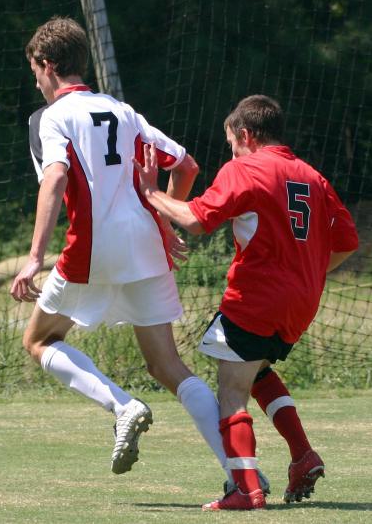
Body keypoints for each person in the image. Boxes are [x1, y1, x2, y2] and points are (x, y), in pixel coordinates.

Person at [10, 15, 239, 485]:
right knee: (168, 366)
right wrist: (164, 215)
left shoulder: (55, 117)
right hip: (145, 248)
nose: (35, 80)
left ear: (48, 65)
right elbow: (187, 164)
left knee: (38, 341)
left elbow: (54, 177)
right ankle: (240, 473)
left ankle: (123, 404)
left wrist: (34, 257)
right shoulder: (122, 110)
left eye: (34, 69)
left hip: (94, 248)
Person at [133, 94, 359, 510]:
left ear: (245, 134)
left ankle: (245, 489)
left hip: (257, 296)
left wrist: (150, 192)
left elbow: (196, 220)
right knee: (256, 371)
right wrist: (305, 272)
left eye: (231, 144)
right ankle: (302, 455)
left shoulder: (246, 167)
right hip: (301, 301)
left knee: (232, 389)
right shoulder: (312, 176)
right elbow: (348, 241)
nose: (231, 152)